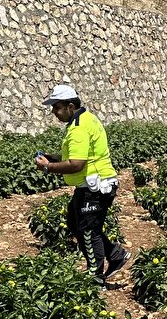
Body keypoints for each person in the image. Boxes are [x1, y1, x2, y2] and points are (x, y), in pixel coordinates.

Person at [36, 85, 129, 286]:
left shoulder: (79, 127)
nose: (54, 112)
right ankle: (115, 254)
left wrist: (48, 167)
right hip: (88, 186)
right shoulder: (85, 119)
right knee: (74, 223)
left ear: (70, 106)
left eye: (57, 107)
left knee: (88, 230)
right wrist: (53, 157)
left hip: (95, 188)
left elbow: (76, 164)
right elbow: (75, 156)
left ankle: (96, 277)